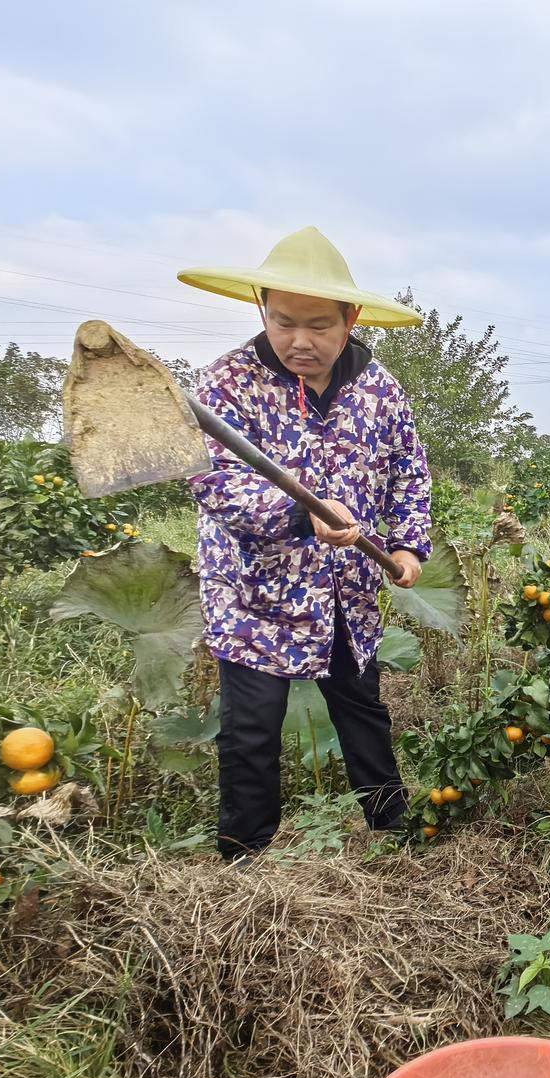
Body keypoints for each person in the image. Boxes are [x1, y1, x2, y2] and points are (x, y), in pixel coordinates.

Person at [178, 227, 432, 860]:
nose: (299, 341)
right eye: (283, 322)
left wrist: (407, 546)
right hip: (254, 592)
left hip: (346, 588)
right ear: (261, 308)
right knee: (251, 730)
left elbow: (408, 471)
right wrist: (300, 515)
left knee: (362, 710)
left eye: (319, 325)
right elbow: (211, 479)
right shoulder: (226, 384)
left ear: (350, 320)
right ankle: (245, 859)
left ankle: (392, 836)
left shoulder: (379, 389)